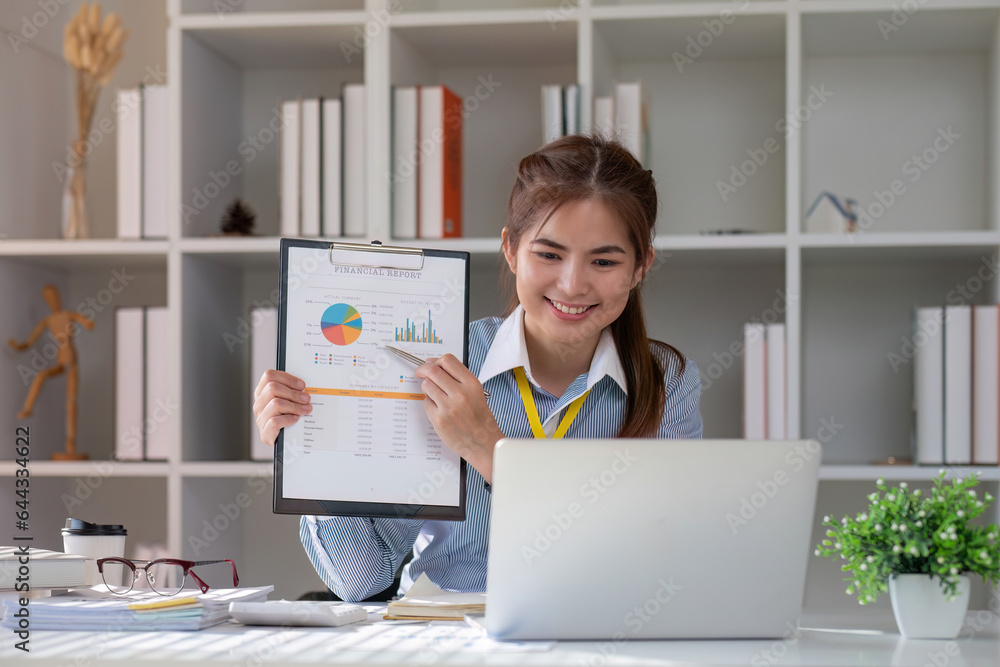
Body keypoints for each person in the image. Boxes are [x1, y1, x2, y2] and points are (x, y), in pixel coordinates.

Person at [253, 134, 703, 602]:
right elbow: (360, 580)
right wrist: (314, 448)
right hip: (447, 634)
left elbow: (656, 562)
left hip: (593, 631)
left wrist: (488, 449)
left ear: (640, 267)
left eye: (604, 260)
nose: (572, 285)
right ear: (510, 250)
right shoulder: (444, 364)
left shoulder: (665, 380)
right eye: (548, 254)